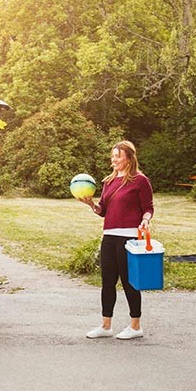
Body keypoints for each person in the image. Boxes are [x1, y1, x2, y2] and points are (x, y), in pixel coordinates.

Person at [80, 140, 154, 340]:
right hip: (109, 236)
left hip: (129, 237)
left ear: (129, 158)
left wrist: (145, 220)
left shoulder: (140, 180)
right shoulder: (108, 181)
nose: (114, 160)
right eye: (112, 156)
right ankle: (106, 326)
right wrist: (91, 205)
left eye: (118, 156)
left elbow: (148, 207)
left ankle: (135, 326)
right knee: (107, 282)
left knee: (130, 283)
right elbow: (103, 210)